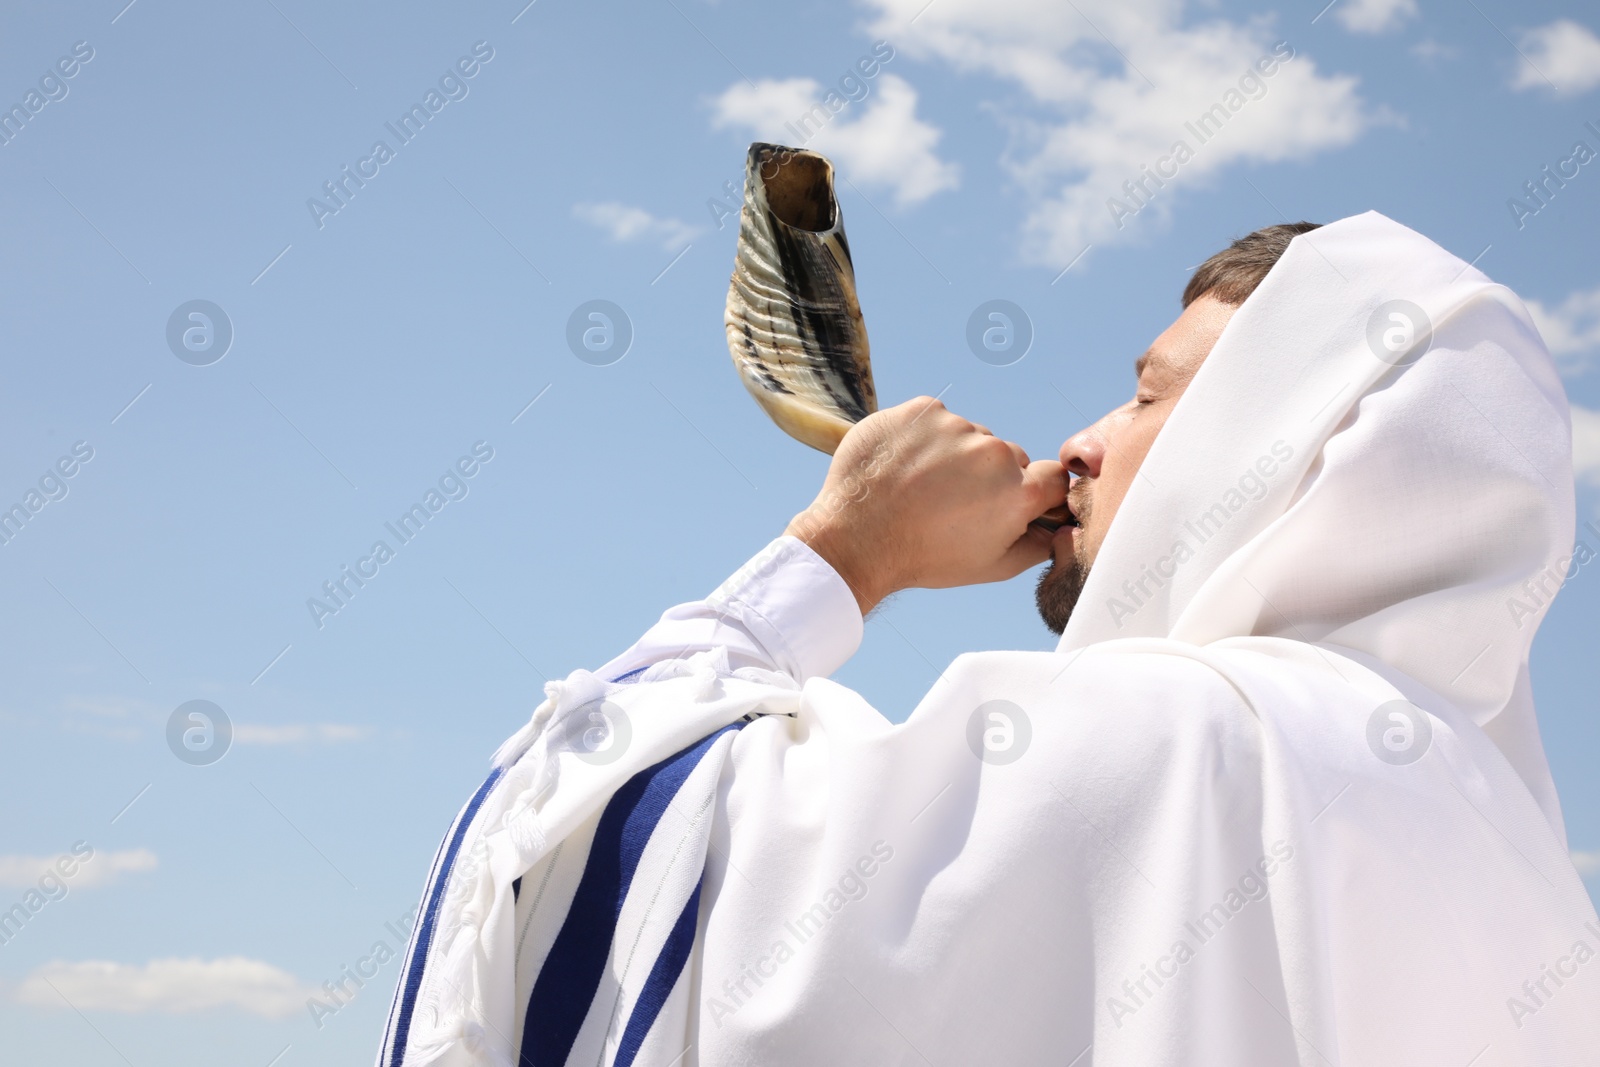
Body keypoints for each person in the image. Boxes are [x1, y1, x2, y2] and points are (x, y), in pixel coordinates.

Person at [377, 212, 1599, 1067]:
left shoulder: (1179, 743)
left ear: (1283, 438)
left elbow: (576, 841)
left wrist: (846, 551)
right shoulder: (1519, 867)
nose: (1080, 440)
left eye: (1150, 394)